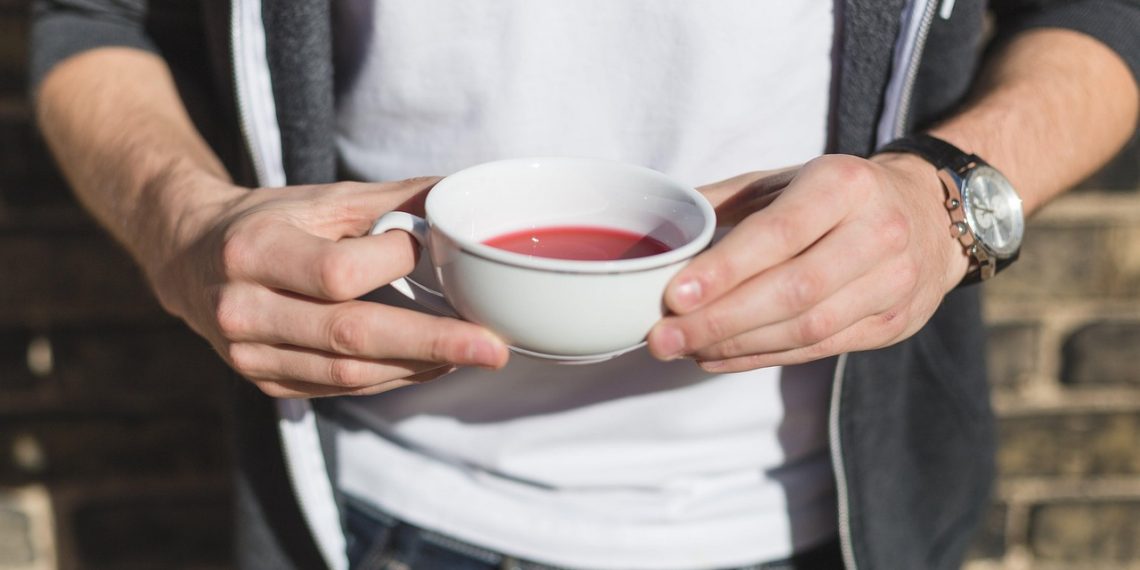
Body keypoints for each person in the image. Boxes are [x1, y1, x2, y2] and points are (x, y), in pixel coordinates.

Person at [29, 1, 1139, 569]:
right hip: (367, 512)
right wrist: (180, 221)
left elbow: (1097, 20)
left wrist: (952, 202)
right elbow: (90, 19)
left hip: (826, 526)